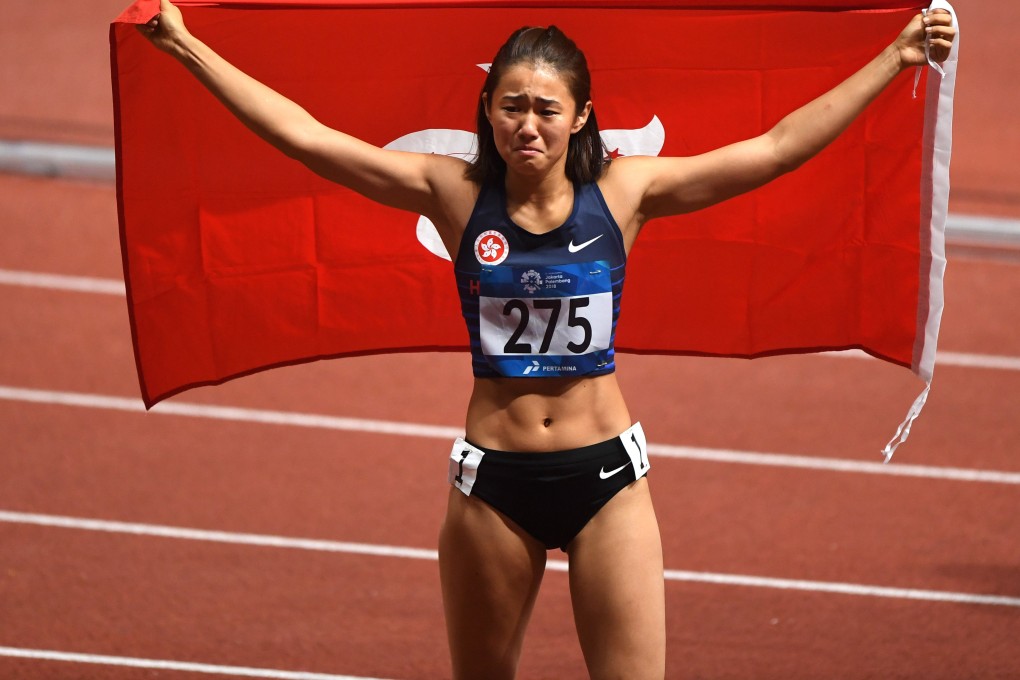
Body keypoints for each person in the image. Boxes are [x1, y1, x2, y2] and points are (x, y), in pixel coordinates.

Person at [138, 2, 955, 678]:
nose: (527, 124)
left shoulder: (628, 192)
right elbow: (308, 139)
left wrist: (896, 58)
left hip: (609, 484)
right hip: (493, 488)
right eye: (510, 105)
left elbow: (775, 151)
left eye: (546, 109)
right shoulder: (450, 193)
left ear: (581, 117)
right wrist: (184, 45)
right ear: (487, 108)